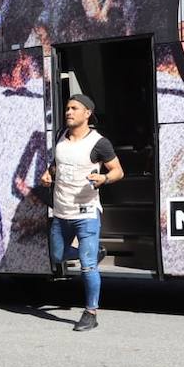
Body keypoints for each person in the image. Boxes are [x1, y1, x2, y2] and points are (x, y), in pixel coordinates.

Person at [40, 94, 124, 331]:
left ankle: (90, 312)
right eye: (67, 108)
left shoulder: (99, 143)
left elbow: (118, 171)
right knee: (57, 256)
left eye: (74, 108)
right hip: (61, 211)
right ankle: (94, 253)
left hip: (86, 213)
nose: (68, 112)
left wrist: (104, 178)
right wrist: (50, 174)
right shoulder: (60, 137)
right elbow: (59, 163)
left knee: (87, 265)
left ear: (87, 113)